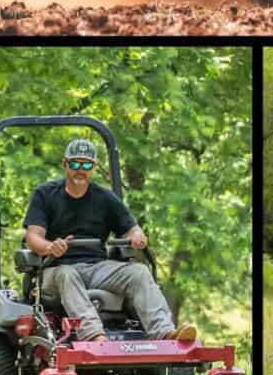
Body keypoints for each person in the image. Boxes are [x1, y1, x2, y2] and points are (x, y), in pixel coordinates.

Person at [23, 138, 196, 343]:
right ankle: (95, 336)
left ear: (94, 168)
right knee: (67, 274)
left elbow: (132, 229)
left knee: (139, 272)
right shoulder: (46, 195)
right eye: (75, 164)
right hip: (54, 268)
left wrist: (137, 238)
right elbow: (32, 237)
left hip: (97, 268)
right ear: (65, 164)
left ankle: (165, 332)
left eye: (86, 165)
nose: (80, 170)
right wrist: (50, 247)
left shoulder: (105, 198)